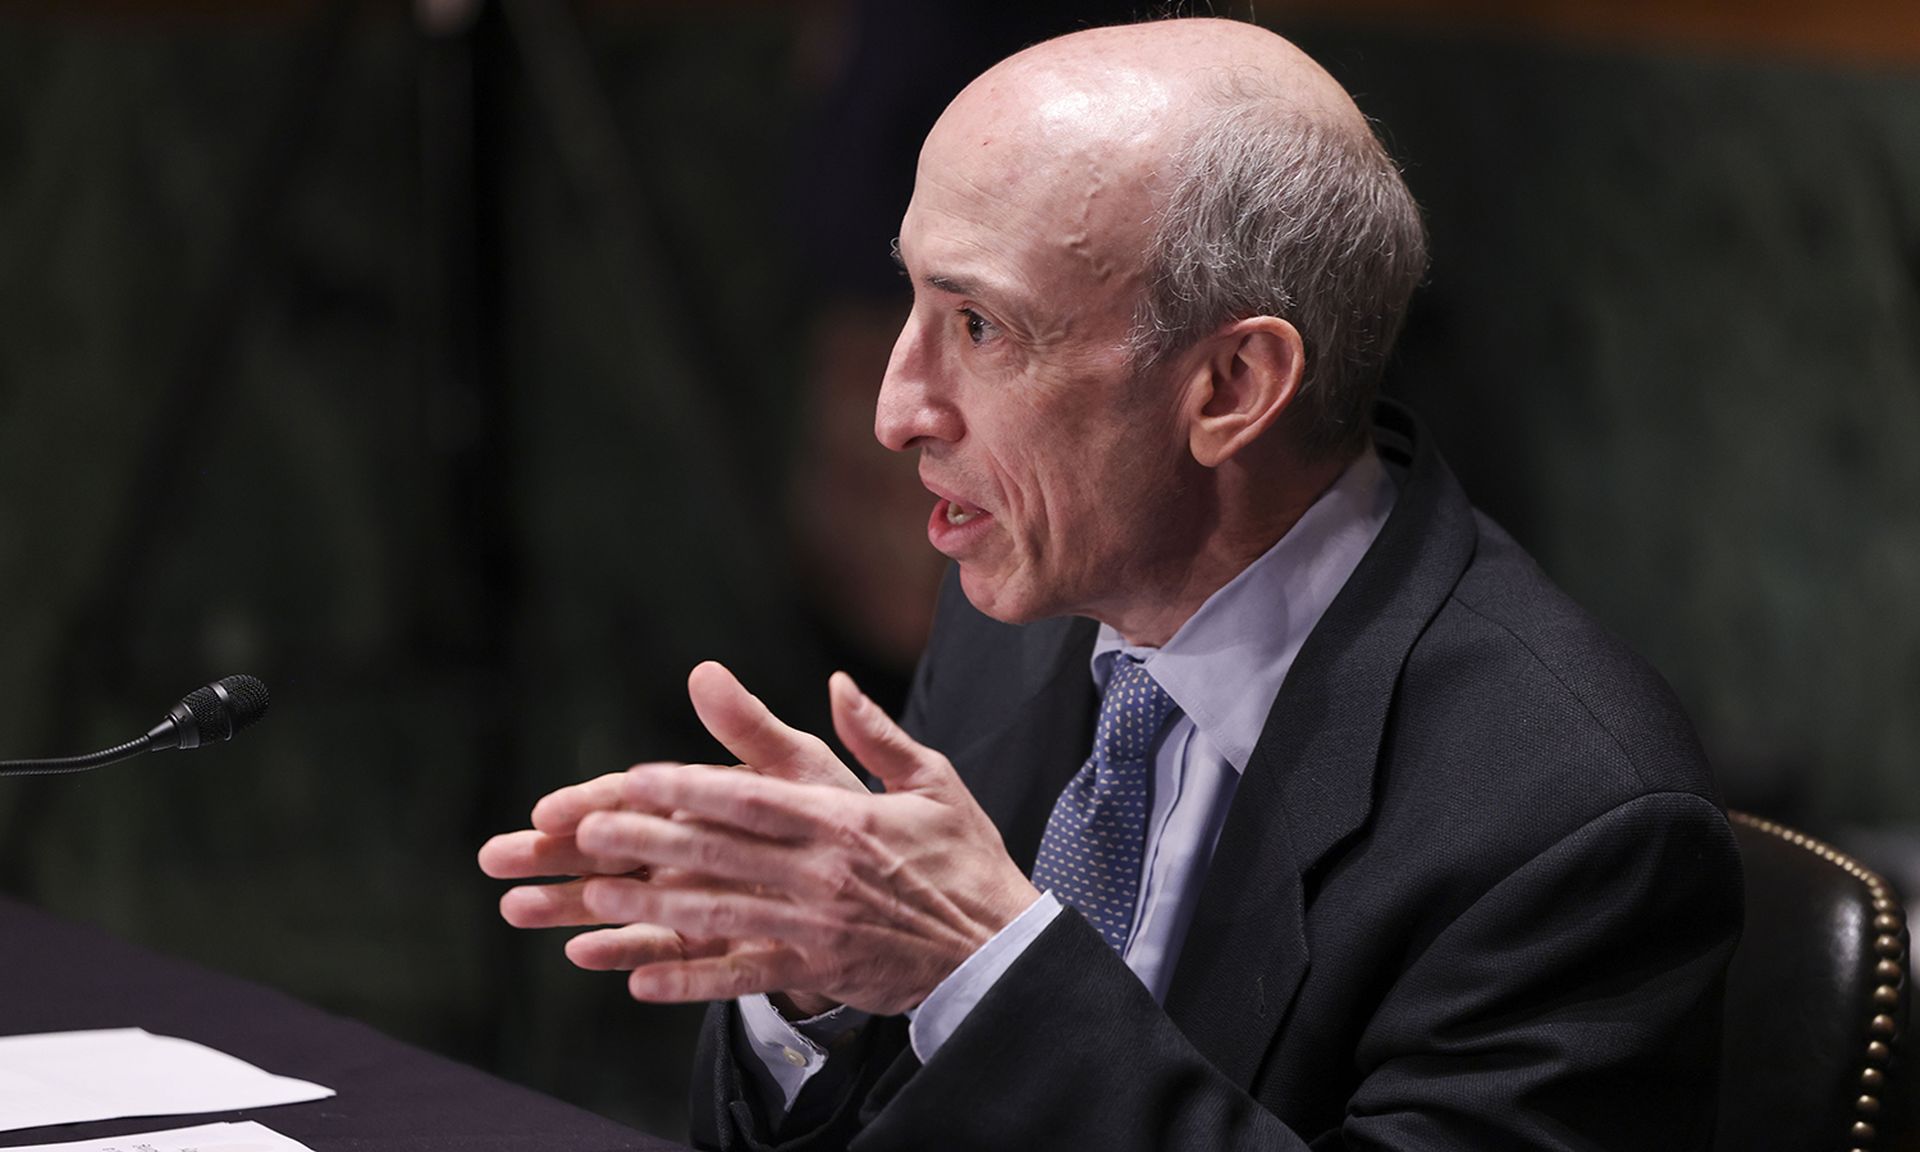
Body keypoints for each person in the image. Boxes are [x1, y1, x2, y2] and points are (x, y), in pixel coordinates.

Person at [480, 17, 1742, 1149]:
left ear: (1233, 388)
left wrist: (979, 970)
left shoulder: (1572, 821)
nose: (896, 408)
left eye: (979, 327)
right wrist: (817, 983)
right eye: (909, 298)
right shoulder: (1020, 616)